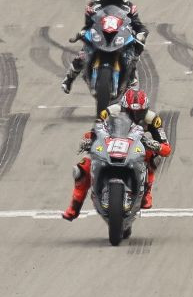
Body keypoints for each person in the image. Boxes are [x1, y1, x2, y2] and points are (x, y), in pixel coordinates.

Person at [62, 87, 172, 219]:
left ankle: (147, 191)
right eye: (131, 113)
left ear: (146, 109)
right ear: (124, 108)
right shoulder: (110, 112)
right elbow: (95, 129)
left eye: (139, 113)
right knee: (81, 169)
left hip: (137, 146)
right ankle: (74, 207)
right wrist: (88, 139)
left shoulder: (153, 119)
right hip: (111, 143)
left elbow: (166, 147)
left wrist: (156, 146)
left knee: (154, 157)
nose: (135, 117)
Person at [61, 0, 149, 93]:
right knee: (84, 53)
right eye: (108, 0)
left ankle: (131, 72)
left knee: (135, 48)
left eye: (115, 0)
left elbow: (137, 25)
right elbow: (89, 24)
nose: (111, 3)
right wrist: (84, 32)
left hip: (120, 34)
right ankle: (68, 79)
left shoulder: (129, 7)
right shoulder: (94, 5)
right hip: (101, 33)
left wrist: (141, 33)